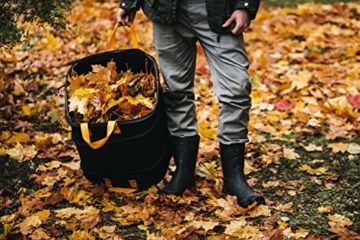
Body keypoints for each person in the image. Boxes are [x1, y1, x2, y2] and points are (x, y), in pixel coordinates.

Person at [117, 0, 265, 208]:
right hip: (165, 9)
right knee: (176, 92)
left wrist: (244, 5)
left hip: (219, 10)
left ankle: (234, 179)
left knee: (236, 89)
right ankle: (183, 174)